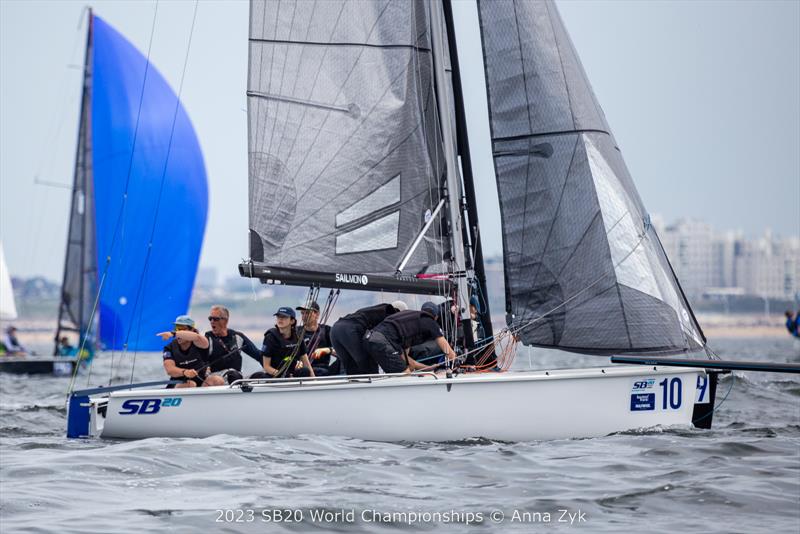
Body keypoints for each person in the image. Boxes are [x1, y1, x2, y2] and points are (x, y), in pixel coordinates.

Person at [365, 302, 457, 374]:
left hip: (369, 339)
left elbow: (410, 362)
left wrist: (429, 368)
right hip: (382, 342)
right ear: (436, 317)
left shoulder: (408, 325)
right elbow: (449, 352)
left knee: (378, 375)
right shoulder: (429, 321)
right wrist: (455, 361)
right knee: (405, 375)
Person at [330, 300, 407, 375]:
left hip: (336, 329)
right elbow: (383, 341)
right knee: (369, 366)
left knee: (352, 369)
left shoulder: (375, 310)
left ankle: (356, 386)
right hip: (351, 329)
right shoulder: (391, 314)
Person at [158, 315, 223, 388]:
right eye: (176, 329)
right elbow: (170, 370)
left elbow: (196, 337)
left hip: (201, 381)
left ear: (192, 330)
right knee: (190, 384)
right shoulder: (169, 347)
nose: (178, 332)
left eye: (182, 329)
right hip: (179, 382)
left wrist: (173, 334)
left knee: (217, 380)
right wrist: (185, 372)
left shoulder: (201, 342)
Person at [253, 307, 315, 379]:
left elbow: (306, 364)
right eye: (278, 317)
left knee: (305, 371)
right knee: (262, 376)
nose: (280, 319)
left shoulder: (298, 337)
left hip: (291, 373)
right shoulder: (270, 337)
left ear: (292, 321)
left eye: (284, 317)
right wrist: (285, 376)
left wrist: (315, 381)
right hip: (274, 374)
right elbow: (266, 367)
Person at [205, 305, 261, 383]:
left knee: (260, 376)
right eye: (210, 319)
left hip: (236, 377)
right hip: (216, 379)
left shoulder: (238, 337)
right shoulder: (207, 339)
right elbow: (199, 361)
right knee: (233, 375)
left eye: (216, 319)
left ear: (226, 320)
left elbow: (259, 355)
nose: (212, 321)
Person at [296, 301, 338, 376]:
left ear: (317, 314)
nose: (304, 316)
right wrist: (296, 362)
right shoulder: (296, 332)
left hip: (324, 371)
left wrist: (328, 350)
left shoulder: (327, 330)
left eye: (307, 313)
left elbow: (342, 351)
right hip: (303, 371)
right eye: (302, 313)